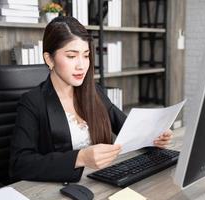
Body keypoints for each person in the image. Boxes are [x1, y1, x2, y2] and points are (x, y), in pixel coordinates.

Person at [9, 16, 173, 183]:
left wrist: (154, 137)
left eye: (86, 55)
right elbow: (19, 164)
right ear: (49, 59)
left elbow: (128, 129)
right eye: (72, 56)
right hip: (62, 188)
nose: (81, 65)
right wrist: (79, 158)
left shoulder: (94, 91)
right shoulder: (32, 102)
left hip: (102, 181)